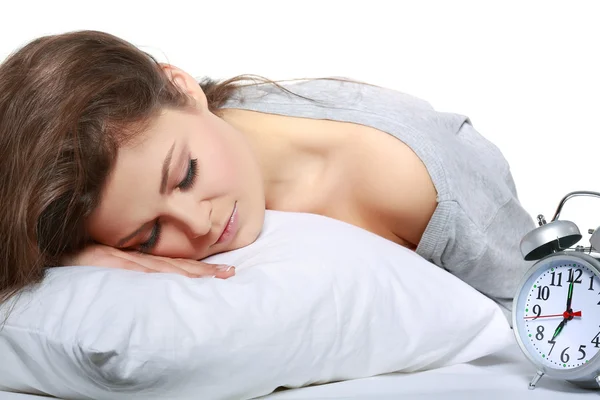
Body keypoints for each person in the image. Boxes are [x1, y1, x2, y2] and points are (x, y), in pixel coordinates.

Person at [0, 30, 535, 320]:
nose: (198, 224)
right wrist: (72, 253)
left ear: (184, 90)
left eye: (185, 175)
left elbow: (543, 297)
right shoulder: (181, 146)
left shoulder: (407, 180)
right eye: (147, 237)